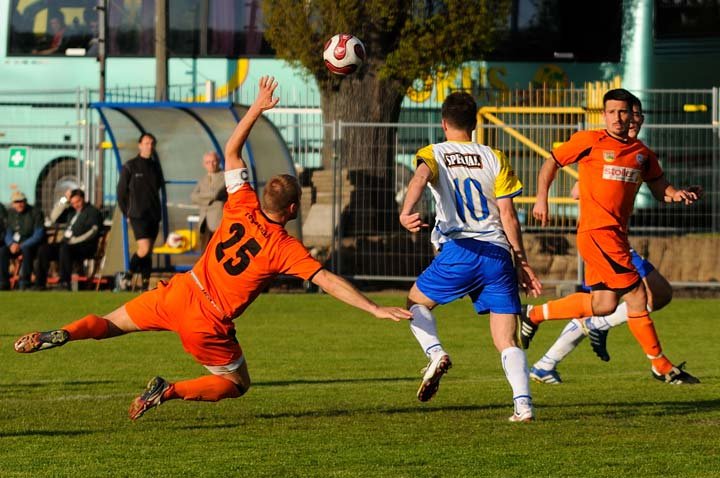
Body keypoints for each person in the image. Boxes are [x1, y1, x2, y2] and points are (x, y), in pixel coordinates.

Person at [14, 76, 412, 421]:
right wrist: (374, 308)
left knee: (110, 323)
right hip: (206, 321)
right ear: (292, 210)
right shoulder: (283, 247)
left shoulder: (241, 203)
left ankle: (64, 333)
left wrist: (256, 108)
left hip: (180, 291)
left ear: (263, 195)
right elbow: (327, 279)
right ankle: (166, 391)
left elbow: (232, 152)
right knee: (237, 384)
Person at [521, 88, 702, 385]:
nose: (618, 118)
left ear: (633, 115)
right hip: (597, 233)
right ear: (604, 114)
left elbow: (660, 188)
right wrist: (542, 199)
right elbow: (552, 162)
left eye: (624, 112)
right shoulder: (589, 141)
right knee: (637, 295)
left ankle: (535, 315)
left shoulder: (642, 154)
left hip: (617, 236)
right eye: (612, 112)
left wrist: (678, 194)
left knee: (604, 304)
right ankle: (660, 364)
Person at [399, 91, 542, 422]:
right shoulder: (494, 156)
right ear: (475, 123)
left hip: (461, 249)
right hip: (497, 253)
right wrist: (521, 261)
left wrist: (407, 212)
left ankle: (435, 353)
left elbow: (420, 177)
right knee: (506, 338)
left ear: (444, 123)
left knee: (415, 303)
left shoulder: (433, 152)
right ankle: (523, 406)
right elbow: (508, 215)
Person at [117, 132, 164, 291]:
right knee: (143, 249)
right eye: (146, 143)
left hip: (153, 214)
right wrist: (127, 213)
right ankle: (127, 276)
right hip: (137, 214)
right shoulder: (130, 166)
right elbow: (121, 193)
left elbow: (157, 188)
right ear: (139, 145)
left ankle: (145, 284)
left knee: (148, 251)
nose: (149, 146)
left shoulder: (155, 166)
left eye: (152, 143)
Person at [35, 189, 104, 291]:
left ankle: (64, 282)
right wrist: (64, 200)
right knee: (44, 249)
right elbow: (53, 217)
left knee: (65, 248)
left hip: (84, 246)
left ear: (83, 199)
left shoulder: (93, 212)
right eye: (73, 203)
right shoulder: (70, 212)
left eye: (78, 201)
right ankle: (39, 284)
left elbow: (93, 232)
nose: (76, 205)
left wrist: (75, 240)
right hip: (67, 244)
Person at [0, 191, 45, 290]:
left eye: (21, 201)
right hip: (15, 246)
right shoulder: (10, 213)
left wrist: (22, 245)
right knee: (2, 251)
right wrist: (11, 243)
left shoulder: (36, 212)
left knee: (26, 249)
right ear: (12, 203)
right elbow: (8, 232)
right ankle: (3, 282)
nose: (19, 204)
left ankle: (25, 282)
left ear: (25, 201)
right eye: (16, 202)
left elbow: (38, 234)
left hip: (31, 245)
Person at [190, 151, 227, 250]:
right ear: (204, 164)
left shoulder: (225, 177)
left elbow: (216, 194)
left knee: (218, 252)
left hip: (218, 222)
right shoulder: (203, 179)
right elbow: (193, 197)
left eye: (213, 161)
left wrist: (201, 198)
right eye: (207, 162)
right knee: (204, 253)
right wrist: (209, 197)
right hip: (204, 222)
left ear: (218, 161)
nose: (211, 164)